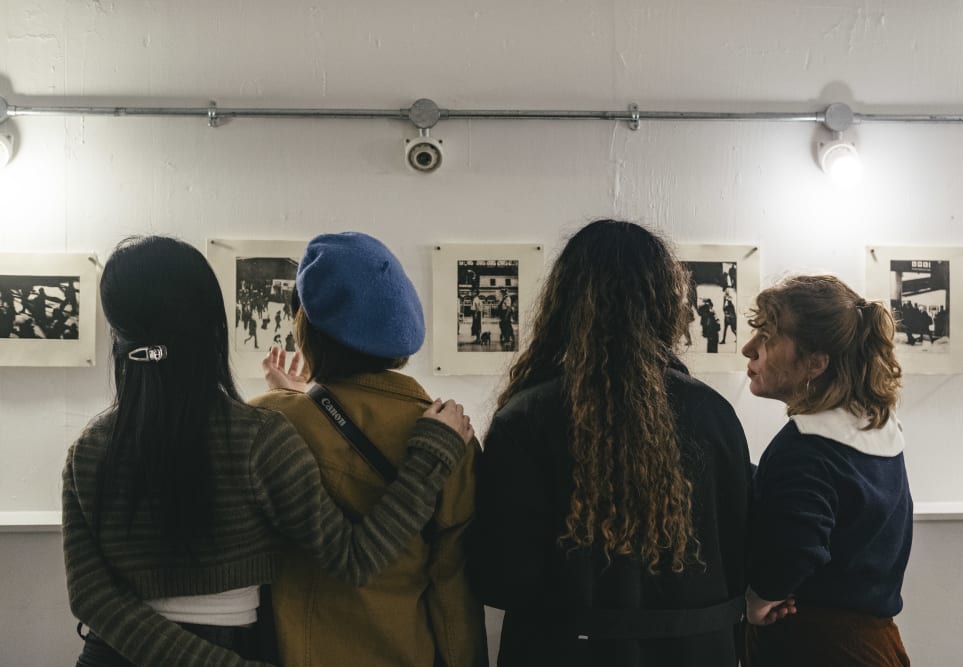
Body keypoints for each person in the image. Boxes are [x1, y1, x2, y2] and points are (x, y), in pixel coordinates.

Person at [62, 235, 475, 667]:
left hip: (109, 655)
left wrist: (301, 401)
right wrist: (431, 456)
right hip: (233, 648)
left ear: (118, 331)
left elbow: (90, 597)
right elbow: (356, 559)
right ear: (213, 324)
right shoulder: (259, 437)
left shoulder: (86, 451)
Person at [470, 220, 752, 667]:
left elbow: (502, 580)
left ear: (563, 302)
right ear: (665, 303)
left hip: (562, 654)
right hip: (698, 652)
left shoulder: (525, 419)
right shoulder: (714, 415)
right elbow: (741, 559)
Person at [251, 232, 487, 667]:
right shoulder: (449, 436)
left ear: (307, 327)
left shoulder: (267, 421)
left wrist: (296, 400)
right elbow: (454, 590)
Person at [741, 274, 911, 666]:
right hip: (876, 645)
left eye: (767, 337)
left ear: (816, 363)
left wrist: (758, 601)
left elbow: (795, 550)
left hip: (814, 649)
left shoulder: (806, 448)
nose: (749, 350)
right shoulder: (877, 429)